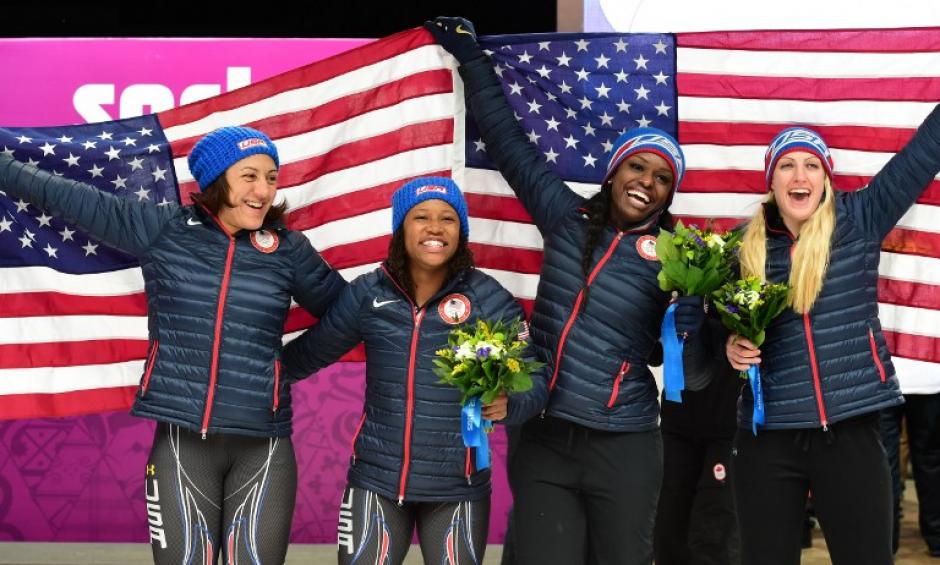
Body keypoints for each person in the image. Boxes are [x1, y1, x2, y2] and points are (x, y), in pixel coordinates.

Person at [427, 17, 716, 565]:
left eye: (662, 178)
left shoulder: (684, 258)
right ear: (613, 173)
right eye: (638, 166)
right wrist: (470, 58)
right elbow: (510, 144)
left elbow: (696, 376)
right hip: (545, 438)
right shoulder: (567, 219)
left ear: (668, 194)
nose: (646, 182)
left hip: (625, 445)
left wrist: (689, 325)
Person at [0, 126, 346, 564]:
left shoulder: (287, 249)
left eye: (272, 177)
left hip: (265, 450)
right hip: (183, 446)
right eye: (250, 176)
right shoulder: (164, 230)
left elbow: (345, 317)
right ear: (218, 181)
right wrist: (4, 168)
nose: (263, 190)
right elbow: (69, 198)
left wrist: (284, 366)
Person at [281, 176, 548, 565]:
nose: (435, 228)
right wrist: (246, 372)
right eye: (421, 217)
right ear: (400, 228)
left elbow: (536, 379)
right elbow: (308, 355)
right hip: (376, 482)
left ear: (462, 231)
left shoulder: (488, 298)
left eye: (448, 219)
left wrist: (513, 401)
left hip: (458, 487)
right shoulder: (369, 293)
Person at [725, 112, 940, 564]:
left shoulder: (860, 219)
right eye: (787, 165)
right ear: (771, 179)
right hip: (769, 438)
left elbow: (923, 153)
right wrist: (728, 346)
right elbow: (706, 331)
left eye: (811, 164)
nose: (799, 175)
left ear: (826, 177)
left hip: (851, 431)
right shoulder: (740, 247)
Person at [881, 385, 940, 557]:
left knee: (884, 463)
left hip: (884, 377)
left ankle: (884, 542)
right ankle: (936, 537)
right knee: (931, 459)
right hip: (930, 375)